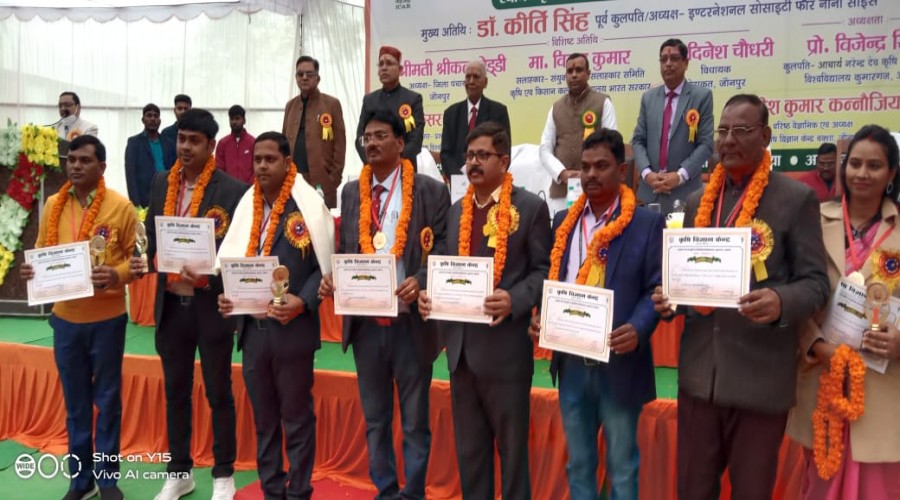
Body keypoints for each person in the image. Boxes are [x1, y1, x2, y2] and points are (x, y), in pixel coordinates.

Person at [651, 94, 831, 499]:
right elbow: (689, 278)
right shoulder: (697, 202)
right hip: (700, 379)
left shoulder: (795, 199)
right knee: (692, 491)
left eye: (742, 131)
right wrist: (670, 299)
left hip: (759, 382)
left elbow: (817, 284)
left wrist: (780, 302)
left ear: (765, 136)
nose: (728, 140)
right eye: (723, 131)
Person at [318, 110, 449, 499]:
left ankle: (414, 494)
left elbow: (443, 248)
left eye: (380, 136)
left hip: (410, 325)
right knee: (375, 420)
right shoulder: (350, 192)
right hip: (366, 327)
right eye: (367, 138)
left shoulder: (430, 191)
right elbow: (346, 249)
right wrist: (335, 277)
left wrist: (420, 280)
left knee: (414, 423)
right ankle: (386, 491)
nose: (371, 143)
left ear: (400, 143)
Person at [419, 121, 551, 499]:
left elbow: (544, 271)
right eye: (469, 156)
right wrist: (428, 293)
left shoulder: (530, 208)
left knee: (513, 458)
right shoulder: (456, 211)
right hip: (461, 356)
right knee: (471, 456)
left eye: (483, 155)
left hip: (505, 355)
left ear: (503, 161)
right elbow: (442, 264)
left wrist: (515, 299)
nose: (473, 163)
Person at [529, 128, 663, 500]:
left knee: (622, 467)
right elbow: (555, 279)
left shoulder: (645, 223)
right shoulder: (564, 221)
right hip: (572, 365)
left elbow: (656, 289)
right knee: (579, 463)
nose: (590, 174)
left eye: (601, 166)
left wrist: (637, 328)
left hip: (619, 363)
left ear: (621, 170)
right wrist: (542, 316)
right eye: (585, 166)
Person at [130, 109, 248, 500]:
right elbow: (151, 238)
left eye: (194, 141)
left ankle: (223, 474)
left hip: (209, 306)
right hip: (170, 307)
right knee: (175, 392)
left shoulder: (232, 191)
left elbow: (237, 252)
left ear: (211, 145)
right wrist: (143, 259)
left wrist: (208, 275)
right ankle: (179, 472)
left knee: (219, 393)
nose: (185, 147)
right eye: (181, 138)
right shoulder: (160, 182)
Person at [216, 131, 334, 499]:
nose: (262, 166)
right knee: (264, 420)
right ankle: (271, 490)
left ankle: (298, 491)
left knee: (297, 419)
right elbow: (232, 262)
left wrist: (304, 301)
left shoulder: (308, 206)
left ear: (287, 162)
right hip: (253, 334)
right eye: (258, 160)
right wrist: (230, 299)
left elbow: (324, 267)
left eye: (270, 159)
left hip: (293, 331)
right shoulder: (246, 206)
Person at [786, 125, 900, 499]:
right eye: (855, 164)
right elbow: (793, 290)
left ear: (891, 173)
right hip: (822, 375)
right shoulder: (813, 218)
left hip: (883, 384)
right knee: (821, 480)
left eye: (874, 166)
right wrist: (816, 345)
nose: (862, 173)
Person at [21, 135, 136, 500]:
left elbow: (139, 261)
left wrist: (116, 274)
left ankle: (108, 479)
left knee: (108, 400)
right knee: (75, 404)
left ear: (102, 167)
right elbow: (42, 250)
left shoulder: (121, 207)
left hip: (108, 320)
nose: (75, 166)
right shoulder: (52, 204)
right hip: (65, 321)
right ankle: (80, 481)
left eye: (85, 160)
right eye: (71, 159)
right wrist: (31, 270)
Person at [632, 38, 714, 215]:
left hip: (685, 193)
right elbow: (638, 140)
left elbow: (706, 144)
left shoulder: (701, 96)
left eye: (674, 58)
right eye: (663, 59)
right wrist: (647, 174)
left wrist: (680, 175)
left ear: (686, 63)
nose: (668, 64)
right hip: (649, 192)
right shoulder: (648, 98)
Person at [540, 53, 617, 215]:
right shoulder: (556, 108)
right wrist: (562, 173)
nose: (574, 75)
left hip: (596, 186)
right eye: (570, 71)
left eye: (579, 70)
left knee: (595, 230)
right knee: (562, 230)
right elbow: (544, 149)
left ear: (588, 74)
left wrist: (590, 172)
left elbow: (612, 145)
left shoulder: (603, 102)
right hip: (562, 191)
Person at [282, 55, 346, 209]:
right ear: (296, 78)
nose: (304, 77)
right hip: (293, 182)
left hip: (322, 183)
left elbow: (340, 145)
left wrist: (332, 180)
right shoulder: (290, 106)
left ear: (318, 78)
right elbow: (282, 143)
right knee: (293, 222)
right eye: (300, 74)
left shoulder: (331, 104)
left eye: (309, 74)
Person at [355, 46, 425, 170]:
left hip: (404, 169)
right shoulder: (369, 100)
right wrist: (370, 161)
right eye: (381, 64)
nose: (384, 68)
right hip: (374, 169)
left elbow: (415, 140)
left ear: (400, 70)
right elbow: (360, 137)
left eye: (389, 63)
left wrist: (394, 164)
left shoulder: (413, 99)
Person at [440, 60, 511, 177]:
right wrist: (460, 178)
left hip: (488, 178)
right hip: (459, 181)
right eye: (468, 77)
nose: (471, 81)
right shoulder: (451, 113)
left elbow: (504, 151)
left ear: (485, 82)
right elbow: (445, 154)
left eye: (476, 77)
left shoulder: (498, 112)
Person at [125, 103, 176, 206]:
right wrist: (136, 205)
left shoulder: (169, 143)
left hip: (167, 195)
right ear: (143, 120)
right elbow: (131, 176)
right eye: (149, 115)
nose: (153, 119)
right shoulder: (134, 143)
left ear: (160, 120)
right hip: (145, 198)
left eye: (156, 116)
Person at [214, 105, 255, 184]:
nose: (234, 122)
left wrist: (249, 185)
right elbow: (219, 168)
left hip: (249, 187)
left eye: (237, 118)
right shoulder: (222, 143)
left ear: (244, 120)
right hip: (228, 187)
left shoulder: (253, 142)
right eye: (231, 119)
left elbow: (256, 167)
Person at [160, 94, 192, 163]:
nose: (183, 112)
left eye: (186, 109)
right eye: (179, 108)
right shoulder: (166, 133)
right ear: (174, 111)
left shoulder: (197, 132)